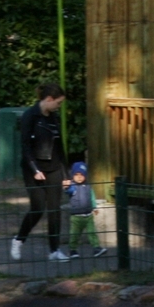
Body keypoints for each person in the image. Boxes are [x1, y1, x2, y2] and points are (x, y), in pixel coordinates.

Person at [10, 83, 70, 262]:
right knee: (37, 208)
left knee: (55, 209)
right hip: (34, 169)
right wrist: (34, 169)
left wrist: (65, 175)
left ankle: (54, 250)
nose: (59, 106)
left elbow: (59, 147)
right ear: (49, 99)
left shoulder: (53, 117)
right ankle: (19, 239)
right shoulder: (30, 116)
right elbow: (25, 146)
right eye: (58, 103)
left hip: (54, 167)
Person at [64, 160, 106, 258]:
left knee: (92, 232)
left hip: (88, 215)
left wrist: (94, 207)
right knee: (74, 234)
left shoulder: (88, 186)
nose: (79, 177)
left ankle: (96, 248)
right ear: (72, 175)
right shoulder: (72, 186)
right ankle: (72, 250)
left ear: (85, 175)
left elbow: (92, 197)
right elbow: (68, 191)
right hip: (76, 217)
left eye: (81, 174)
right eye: (76, 174)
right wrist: (66, 187)